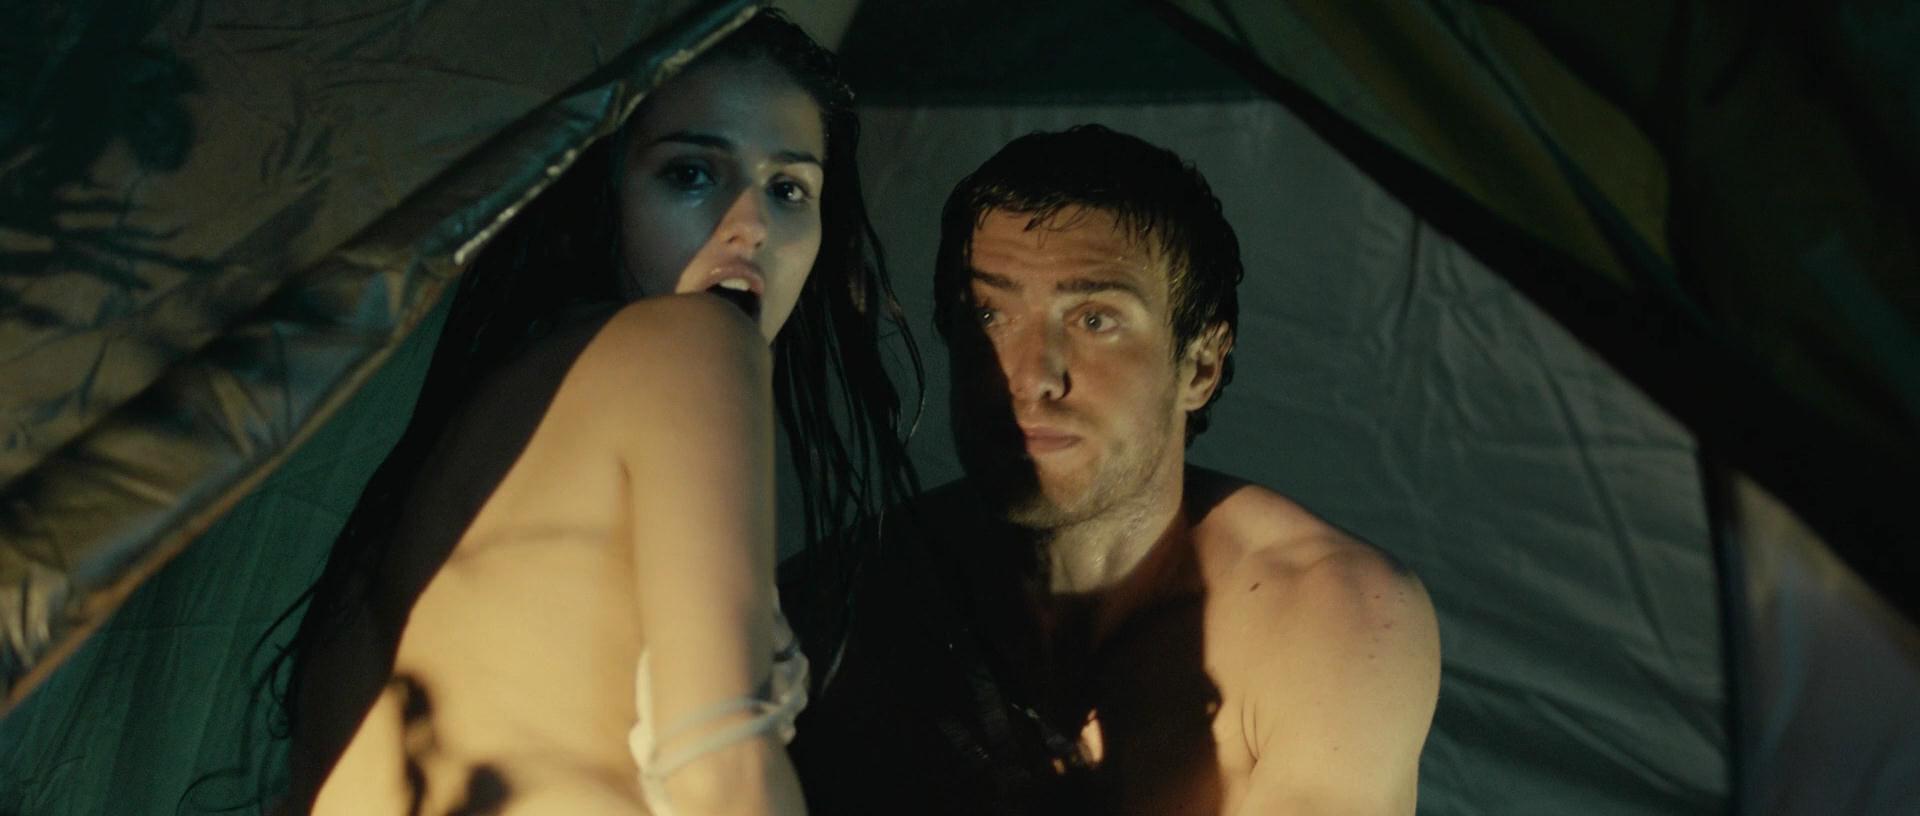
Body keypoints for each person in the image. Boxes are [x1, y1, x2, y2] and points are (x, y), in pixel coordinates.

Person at [272, 11, 918, 815]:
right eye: (690, 173)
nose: (749, 225)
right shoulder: (690, 343)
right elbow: (725, 774)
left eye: (789, 189)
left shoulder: (430, 472)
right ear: (601, 190)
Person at [785, 125, 1441, 814]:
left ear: (1201, 365)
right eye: (990, 314)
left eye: (1095, 320)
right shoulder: (834, 611)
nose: (1031, 377)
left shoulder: (1322, 609)